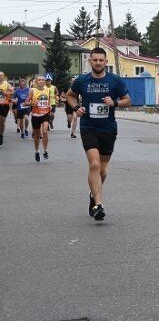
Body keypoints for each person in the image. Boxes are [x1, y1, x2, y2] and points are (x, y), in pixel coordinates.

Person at [66, 47, 131, 221]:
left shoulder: (114, 81)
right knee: (94, 164)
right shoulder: (82, 80)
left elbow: (128, 100)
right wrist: (76, 108)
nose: (98, 63)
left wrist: (115, 103)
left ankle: (93, 195)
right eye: (95, 60)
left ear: (106, 62)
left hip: (108, 128)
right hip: (89, 127)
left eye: (101, 60)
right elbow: (70, 95)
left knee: (102, 169)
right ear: (90, 61)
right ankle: (99, 205)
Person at [26, 75, 53, 162]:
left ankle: (45, 151)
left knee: (45, 131)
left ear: (44, 81)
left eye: (42, 80)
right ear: (36, 82)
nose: (41, 81)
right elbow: (26, 102)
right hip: (36, 115)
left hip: (45, 113)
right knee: (37, 135)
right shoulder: (32, 91)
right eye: (39, 80)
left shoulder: (47, 90)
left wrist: (50, 106)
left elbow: (48, 101)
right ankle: (37, 151)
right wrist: (32, 103)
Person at [0, 71, 13, 146]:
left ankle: (1, 134)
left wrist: (7, 93)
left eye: (1, 75)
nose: (0, 77)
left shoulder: (7, 84)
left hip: (4, 105)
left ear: (3, 76)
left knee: (2, 121)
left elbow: (12, 91)